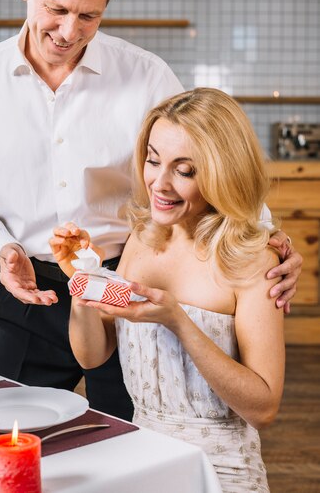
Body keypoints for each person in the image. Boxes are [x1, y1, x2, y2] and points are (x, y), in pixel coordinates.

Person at [0, 0, 300, 422]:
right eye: (57, 10)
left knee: (127, 438)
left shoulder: (145, 74)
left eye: (90, 15)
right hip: (28, 293)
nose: (70, 32)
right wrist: (2, 250)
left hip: (123, 288)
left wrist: (267, 241)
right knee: (10, 435)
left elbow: (211, 156)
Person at [50, 88, 286, 492]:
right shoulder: (142, 240)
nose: (159, 183)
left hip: (220, 469)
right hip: (141, 455)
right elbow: (93, 354)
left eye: (185, 170)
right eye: (153, 160)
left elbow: (263, 408)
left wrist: (179, 321)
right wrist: (81, 280)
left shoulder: (253, 261)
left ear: (222, 173)